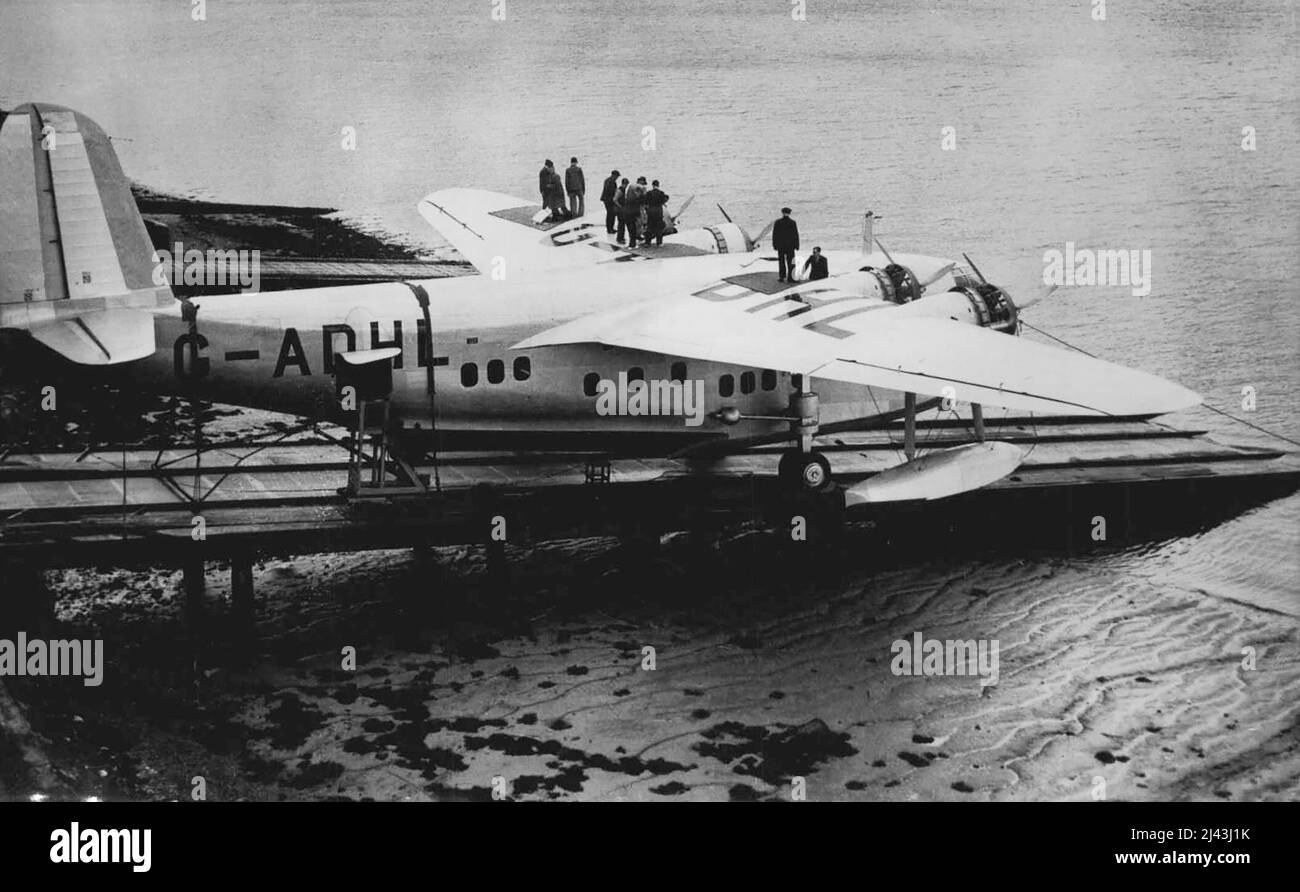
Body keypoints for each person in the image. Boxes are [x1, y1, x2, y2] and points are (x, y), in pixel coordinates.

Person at [772, 206, 799, 281]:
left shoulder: (778, 222)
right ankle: (791, 277)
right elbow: (795, 235)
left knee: (782, 262)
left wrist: (775, 245)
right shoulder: (792, 222)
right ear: (789, 213)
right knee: (791, 262)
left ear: (782, 213)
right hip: (790, 246)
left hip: (781, 246)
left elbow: (775, 235)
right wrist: (796, 245)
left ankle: (782, 277)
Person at [643, 180, 670, 247]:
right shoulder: (661, 193)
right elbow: (664, 200)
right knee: (659, 227)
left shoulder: (649, 193)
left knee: (649, 226)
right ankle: (659, 242)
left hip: (651, 211)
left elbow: (645, 202)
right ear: (658, 185)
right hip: (658, 211)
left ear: (652, 185)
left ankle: (647, 242)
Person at [623, 177, 646, 247]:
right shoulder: (639, 188)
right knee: (634, 225)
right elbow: (643, 200)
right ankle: (633, 241)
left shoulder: (630, 187)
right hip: (634, 211)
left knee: (631, 226)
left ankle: (633, 239)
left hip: (627, 210)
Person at [600, 169, 620, 234]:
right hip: (609, 200)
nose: (617, 178)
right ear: (614, 175)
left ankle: (610, 228)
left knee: (609, 214)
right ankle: (610, 229)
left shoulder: (607, 180)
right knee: (611, 214)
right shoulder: (612, 182)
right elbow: (611, 191)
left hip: (606, 199)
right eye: (617, 176)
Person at [614, 177, 630, 244]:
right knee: (621, 224)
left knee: (622, 224)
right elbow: (615, 199)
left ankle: (621, 237)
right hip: (620, 210)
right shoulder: (620, 190)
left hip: (620, 209)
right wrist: (620, 206)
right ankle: (620, 238)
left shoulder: (621, 189)